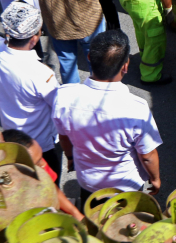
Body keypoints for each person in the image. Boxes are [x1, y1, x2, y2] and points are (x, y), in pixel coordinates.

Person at [52, 30, 163, 204]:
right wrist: (155, 179)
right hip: (126, 188)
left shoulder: (64, 97)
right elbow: (147, 156)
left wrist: (71, 157)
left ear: (89, 57)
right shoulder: (136, 108)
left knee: (92, 218)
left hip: (88, 183)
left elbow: (64, 137)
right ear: (125, 66)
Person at [0, 1, 61, 180]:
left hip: (12, 135)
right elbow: (57, 107)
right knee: (49, 183)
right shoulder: (41, 75)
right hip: (41, 145)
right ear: (33, 39)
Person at [1, 129, 85, 221]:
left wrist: (75, 213)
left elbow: (52, 188)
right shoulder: (3, 192)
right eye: (37, 164)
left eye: (41, 157)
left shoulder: (37, 163)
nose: (44, 164)